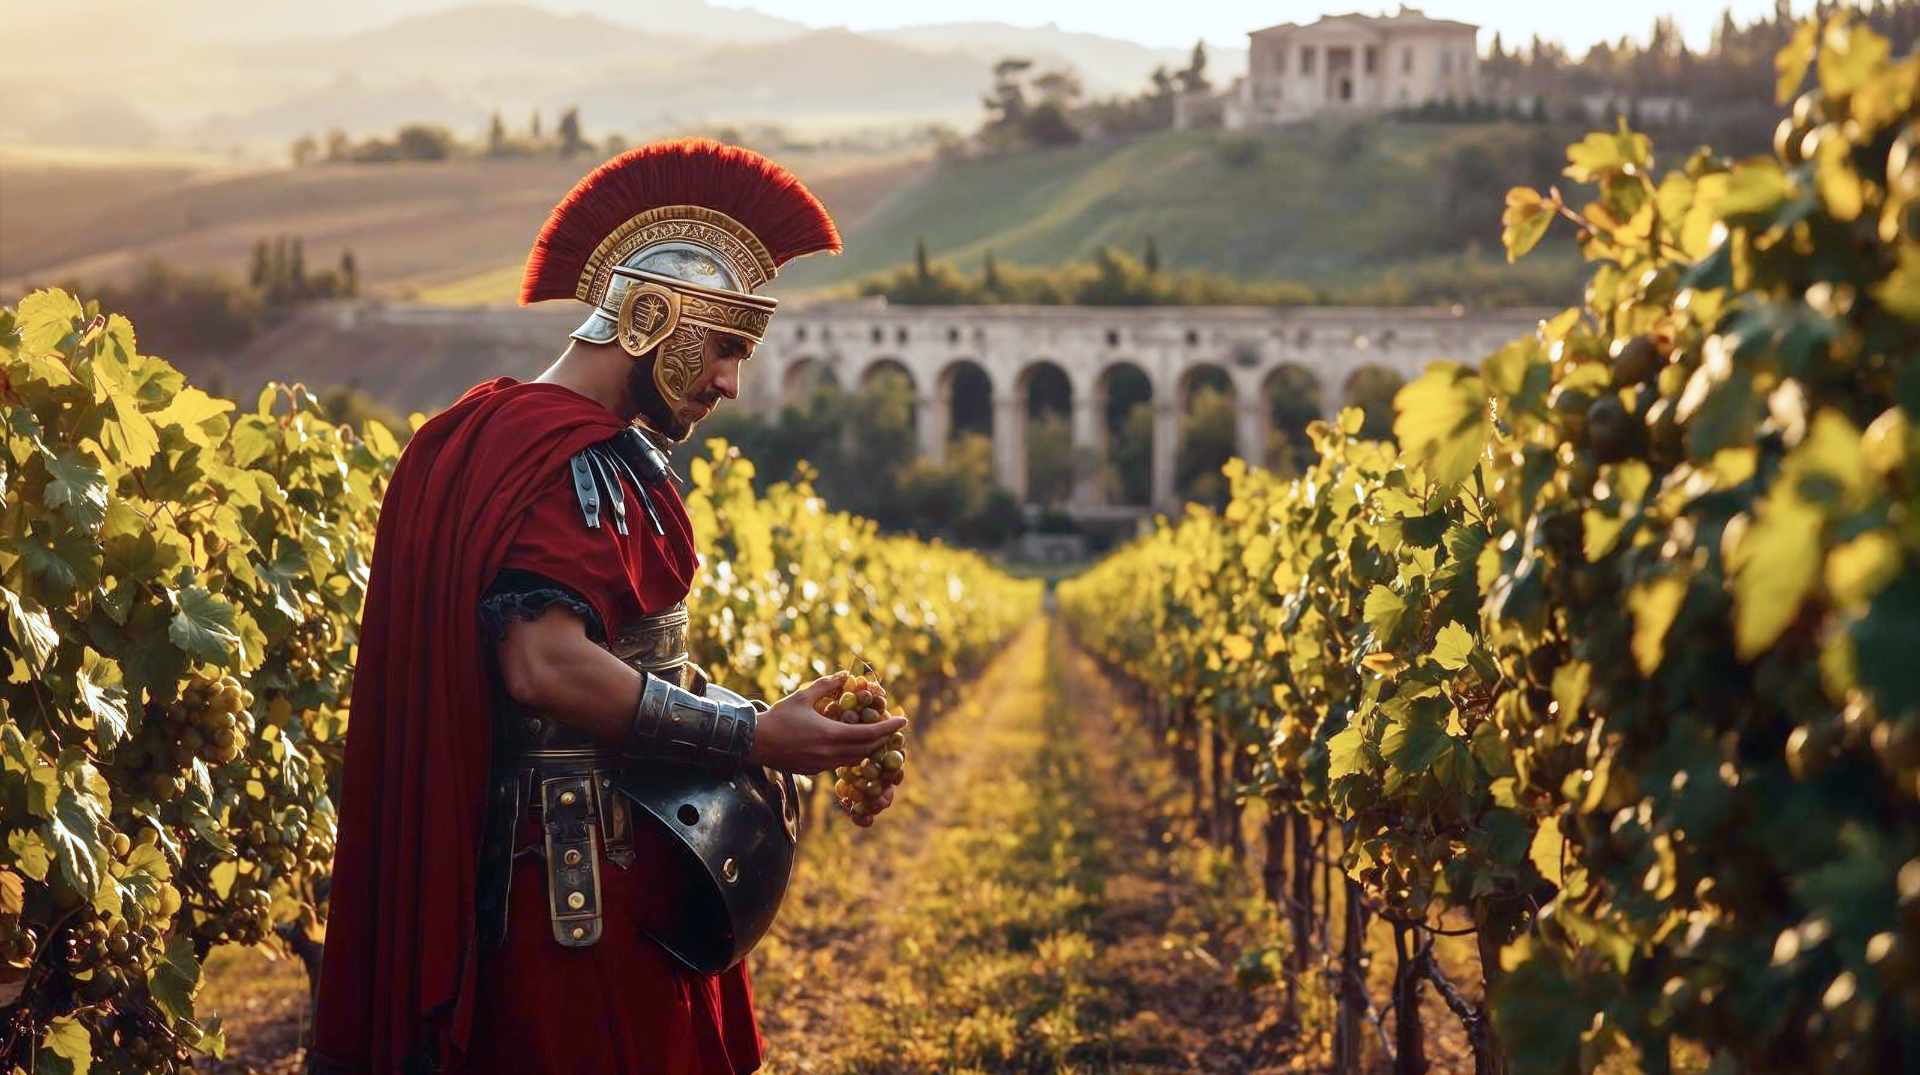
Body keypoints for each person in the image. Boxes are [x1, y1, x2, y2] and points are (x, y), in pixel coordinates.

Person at [310, 138, 906, 1075]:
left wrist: (757, 716)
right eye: (724, 348)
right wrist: (752, 736)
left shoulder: (524, 440)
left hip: (608, 873)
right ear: (648, 316)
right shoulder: (561, 456)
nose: (729, 383)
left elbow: (624, 660)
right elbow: (543, 665)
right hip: (572, 897)